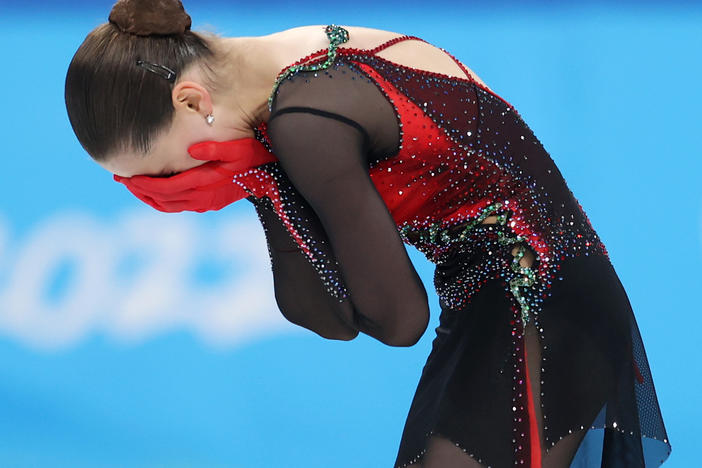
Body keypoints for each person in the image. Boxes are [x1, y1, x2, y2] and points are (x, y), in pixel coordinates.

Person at [64, 1, 672, 466]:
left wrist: (264, 174)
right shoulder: (280, 73)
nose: (165, 194)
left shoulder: (306, 119)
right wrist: (261, 175)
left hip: (536, 303)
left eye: (164, 173)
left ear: (193, 103)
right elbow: (327, 315)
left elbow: (398, 319)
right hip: (518, 299)